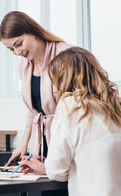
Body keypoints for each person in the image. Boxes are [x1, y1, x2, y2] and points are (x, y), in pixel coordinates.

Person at [19, 47, 121, 195]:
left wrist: (47, 167)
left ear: (65, 79)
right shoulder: (115, 104)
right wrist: (45, 168)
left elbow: (57, 172)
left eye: (54, 82)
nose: (54, 90)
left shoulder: (70, 104)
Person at [0, 11, 73, 164]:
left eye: (19, 44)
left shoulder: (66, 55)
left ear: (32, 32)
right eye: (11, 49)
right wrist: (23, 144)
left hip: (66, 139)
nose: (17, 52)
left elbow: (78, 108)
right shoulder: (24, 64)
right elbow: (34, 110)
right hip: (42, 144)